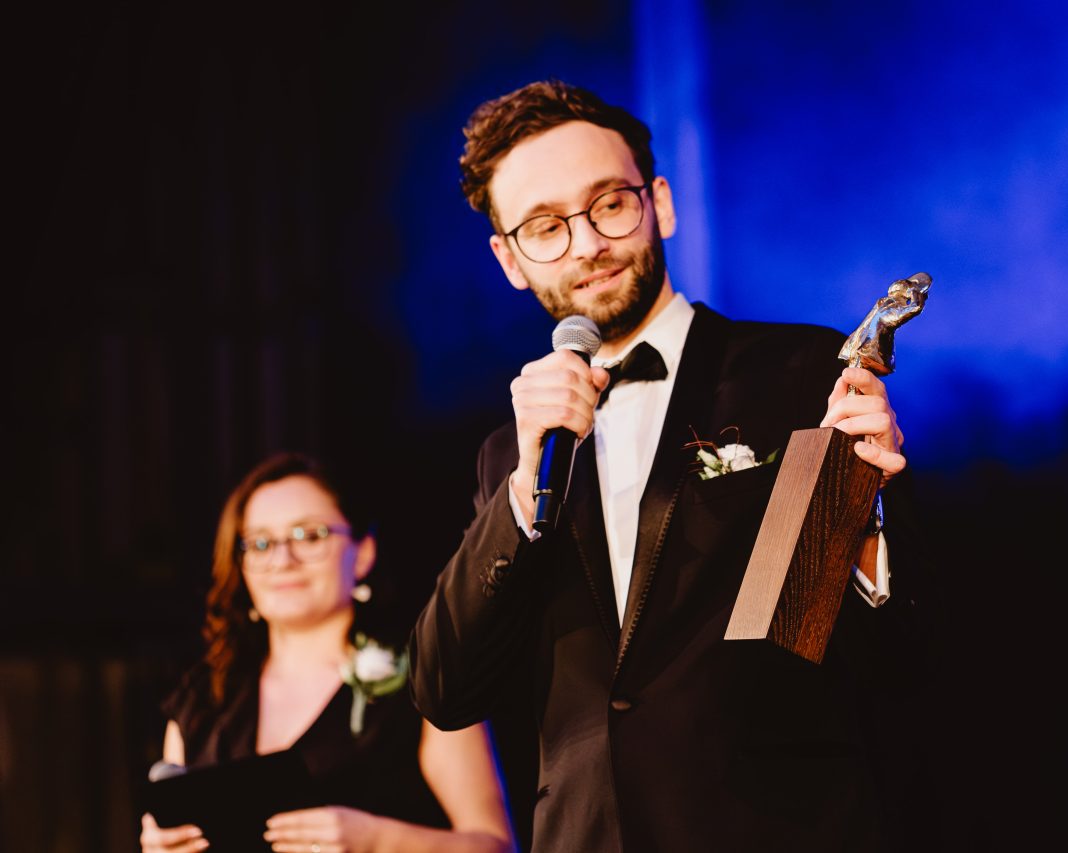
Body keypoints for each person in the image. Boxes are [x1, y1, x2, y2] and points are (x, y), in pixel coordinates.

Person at [410, 81, 938, 852]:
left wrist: (864, 517)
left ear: (658, 202)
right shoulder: (511, 455)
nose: (586, 243)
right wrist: (522, 490)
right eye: (545, 226)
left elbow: (895, 658)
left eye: (608, 205)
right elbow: (444, 689)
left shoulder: (797, 371)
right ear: (509, 258)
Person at [141, 452, 514, 853]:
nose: (282, 560)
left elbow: (496, 845)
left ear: (363, 553)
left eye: (310, 536)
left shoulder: (426, 683)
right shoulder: (202, 698)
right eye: (261, 543)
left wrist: (377, 841)